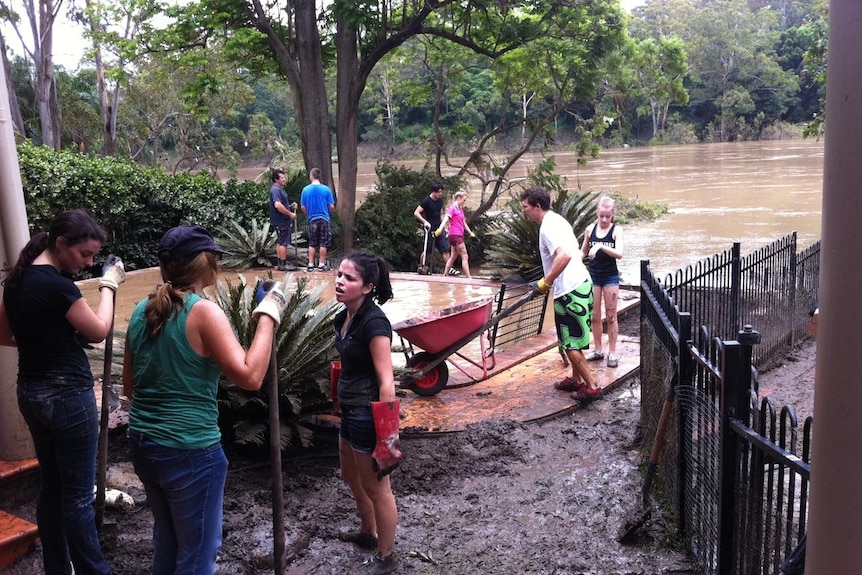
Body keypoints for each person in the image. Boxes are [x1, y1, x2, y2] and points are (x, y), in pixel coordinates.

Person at [122, 225, 288, 575]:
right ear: (206, 264)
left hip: (143, 444)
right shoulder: (203, 312)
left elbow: (129, 389)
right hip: (189, 451)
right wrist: (270, 312)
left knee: (167, 542)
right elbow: (250, 376)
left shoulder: (141, 310)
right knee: (198, 554)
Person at [0, 208, 124, 575]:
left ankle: (58, 568)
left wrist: (49, 337)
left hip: (31, 394)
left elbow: (3, 334)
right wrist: (108, 285)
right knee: (77, 498)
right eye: (84, 254)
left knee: (52, 488)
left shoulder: (17, 280)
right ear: (60, 243)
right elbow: (99, 330)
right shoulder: (58, 285)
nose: (87, 263)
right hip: (68, 398)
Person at [333, 251, 401, 574]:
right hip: (349, 410)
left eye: (349, 278)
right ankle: (367, 532)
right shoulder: (344, 316)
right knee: (350, 475)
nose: (340, 282)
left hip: (367, 415)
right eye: (339, 275)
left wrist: (387, 438)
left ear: (368, 286)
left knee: (378, 488)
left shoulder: (374, 323)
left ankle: (386, 555)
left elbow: (387, 382)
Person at [520, 186, 601, 401]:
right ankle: (577, 381)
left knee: (570, 342)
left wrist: (545, 283)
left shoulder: (548, 227)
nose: (524, 211)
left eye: (526, 207)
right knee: (572, 338)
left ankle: (591, 387)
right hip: (581, 283)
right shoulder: (557, 220)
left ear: (538, 206)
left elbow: (563, 256)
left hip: (570, 290)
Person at [581, 196, 624, 368]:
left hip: (610, 276)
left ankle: (612, 352)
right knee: (595, 315)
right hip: (593, 276)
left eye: (608, 216)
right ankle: (598, 349)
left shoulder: (616, 230)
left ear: (613, 214)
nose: (605, 219)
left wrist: (600, 247)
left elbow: (619, 253)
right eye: (602, 216)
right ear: (597, 214)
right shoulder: (590, 230)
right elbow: (583, 252)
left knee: (611, 316)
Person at [300, 167, 335, 272]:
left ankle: (310, 264)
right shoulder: (326, 189)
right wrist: (329, 211)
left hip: (312, 219)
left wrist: (308, 213)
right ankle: (321, 264)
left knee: (312, 242)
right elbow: (332, 207)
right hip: (324, 218)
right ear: (319, 177)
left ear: (311, 176)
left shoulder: (305, 190)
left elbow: (302, 207)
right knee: (324, 242)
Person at [435, 191, 476, 278]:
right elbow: (446, 219)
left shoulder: (460, 210)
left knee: (453, 256)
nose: (464, 202)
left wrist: (470, 232)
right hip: (455, 235)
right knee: (465, 256)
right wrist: (440, 229)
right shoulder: (452, 208)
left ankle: (445, 275)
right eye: (464, 200)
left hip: (456, 235)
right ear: (458, 198)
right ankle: (469, 278)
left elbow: (463, 223)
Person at [413, 182, 451, 273]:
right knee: (427, 251)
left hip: (439, 229)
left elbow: (441, 214)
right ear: (434, 192)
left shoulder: (440, 201)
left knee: (445, 249)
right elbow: (416, 213)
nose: (441, 194)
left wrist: (445, 227)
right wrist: (425, 222)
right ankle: (422, 266)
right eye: (439, 192)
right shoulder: (426, 201)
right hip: (430, 229)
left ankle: (449, 269)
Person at [269, 168, 299, 271]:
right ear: (276, 179)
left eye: (284, 177)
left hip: (281, 220)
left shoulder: (279, 189)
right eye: (282, 178)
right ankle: (283, 264)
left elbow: (282, 205)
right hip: (282, 221)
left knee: (280, 241)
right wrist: (290, 214)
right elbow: (277, 205)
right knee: (283, 242)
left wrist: (290, 207)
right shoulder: (276, 190)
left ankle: (281, 262)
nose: (284, 179)